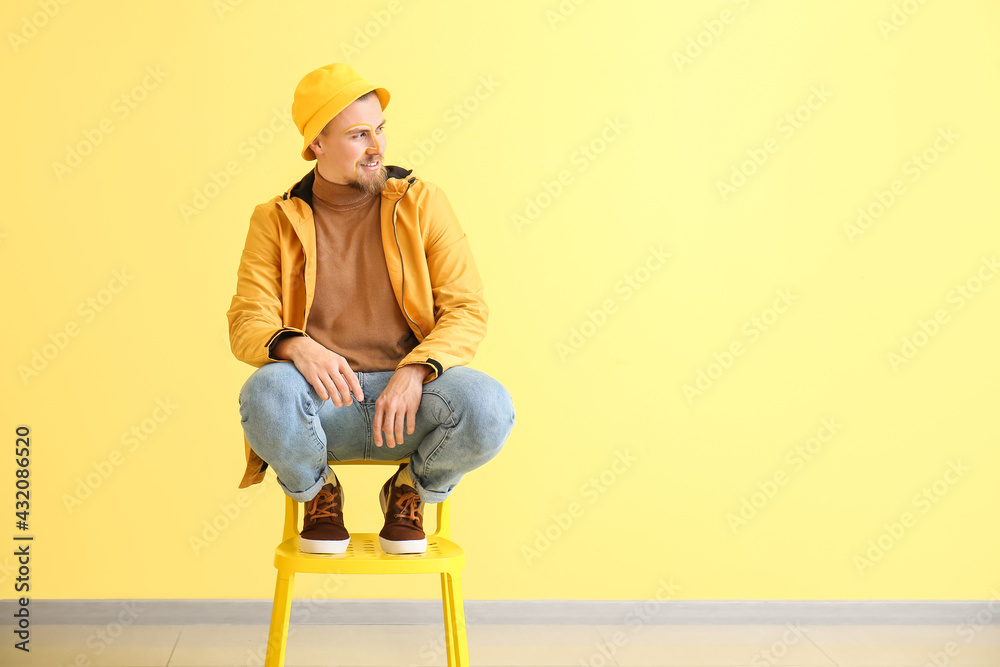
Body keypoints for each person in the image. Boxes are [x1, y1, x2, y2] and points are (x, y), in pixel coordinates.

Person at [226, 63, 515, 555]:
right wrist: (297, 347)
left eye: (379, 129)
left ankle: (410, 491)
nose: (377, 146)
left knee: (489, 405)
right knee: (265, 392)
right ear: (317, 142)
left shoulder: (423, 202)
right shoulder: (274, 219)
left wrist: (417, 369)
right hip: (320, 404)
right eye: (359, 134)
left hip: (410, 406)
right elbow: (247, 320)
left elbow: (466, 308)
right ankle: (319, 493)